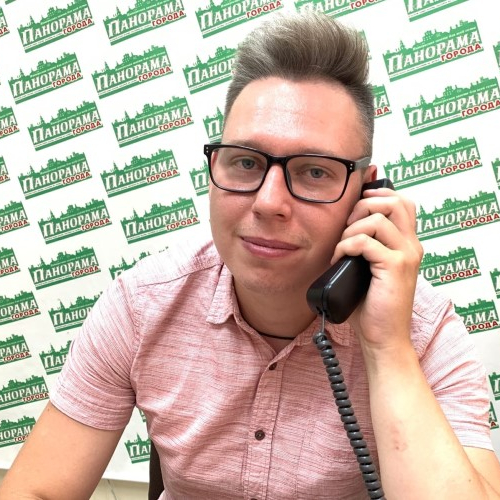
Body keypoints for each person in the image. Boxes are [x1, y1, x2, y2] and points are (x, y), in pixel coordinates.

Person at [1, 12, 500, 500]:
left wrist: (387, 349)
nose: (268, 202)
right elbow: (36, 489)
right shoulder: (141, 304)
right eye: (245, 162)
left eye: (315, 171)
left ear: (367, 196)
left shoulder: (423, 331)